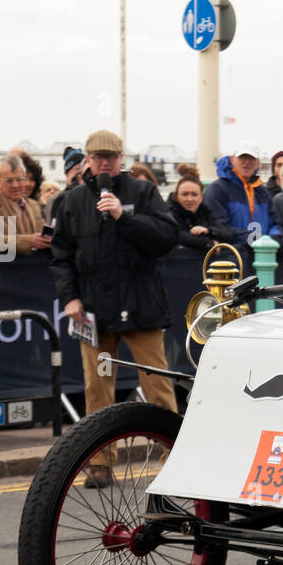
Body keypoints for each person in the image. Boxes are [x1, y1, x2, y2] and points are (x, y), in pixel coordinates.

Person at [51, 130, 181, 486]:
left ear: (121, 158)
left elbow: (166, 239)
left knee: (157, 385)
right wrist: (70, 298)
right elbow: (61, 256)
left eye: (111, 156)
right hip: (93, 309)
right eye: (98, 157)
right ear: (88, 161)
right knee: (97, 387)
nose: (105, 162)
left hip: (140, 306)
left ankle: (176, 457)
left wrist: (124, 218)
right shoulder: (72, 201)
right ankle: (101, 462)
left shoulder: (144, 192)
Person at [202, 142, 276, 270]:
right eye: (242, 158)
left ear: (258, 163)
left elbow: (275, 222)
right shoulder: (216, 189)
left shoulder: (263, 192)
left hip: (263, 258)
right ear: (232, 160)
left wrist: (276, 240)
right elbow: (218, 225)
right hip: (231, 260)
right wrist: (254, 239)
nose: (247, 162)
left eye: (251, 159)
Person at [0, 155, 46, 257]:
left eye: (19, 179)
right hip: (3, 269)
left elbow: (41, 235)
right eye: (9, 181)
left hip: (32, 269)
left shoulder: (34, 205)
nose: (15, 185)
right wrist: (28, 242)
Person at [168, 167, 232, 254]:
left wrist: (208, 230)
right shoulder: (168, 213)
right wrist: (207, 243)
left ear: (201, 197)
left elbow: (227, 234)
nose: (190, 199)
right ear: (176, 197)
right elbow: (174, 235)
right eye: (185, 194)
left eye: (194, 195)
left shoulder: (205, 213)